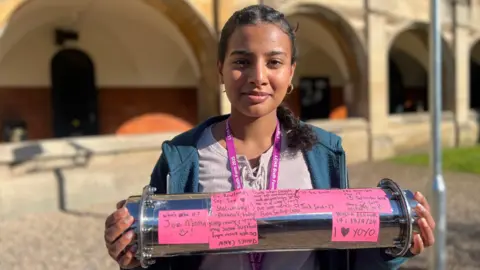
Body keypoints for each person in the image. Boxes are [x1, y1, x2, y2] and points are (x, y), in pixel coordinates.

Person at [104, 4, 436, 270]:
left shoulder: (322, 153)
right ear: (220, 68)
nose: (257, 77)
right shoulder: (182, 156)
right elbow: (162, 254)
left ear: (291, 72)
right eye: (242, 61)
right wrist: (132, 256)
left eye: (274, 62)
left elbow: (345, 252)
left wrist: (396, 245)